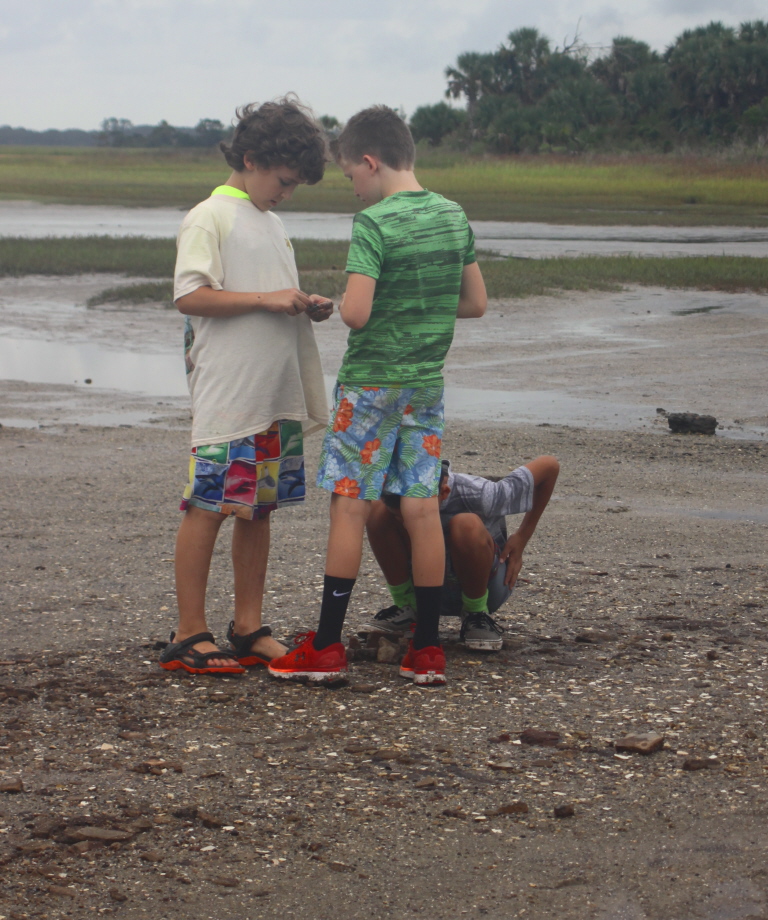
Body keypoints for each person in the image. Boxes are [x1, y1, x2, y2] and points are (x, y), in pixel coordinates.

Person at [269, 105, 486, 686]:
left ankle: (326, 646)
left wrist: (333, 306)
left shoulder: (376, 225)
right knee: (421, 510)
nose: (354, 190)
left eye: (350, 177)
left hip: (369, 387)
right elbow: (475, 303)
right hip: (424, 386)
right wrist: (420, 309)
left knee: (348, 504)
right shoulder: (453, 215)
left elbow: (358, 315)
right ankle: (427, 651)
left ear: (369, 161)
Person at [159, 96, 332, 675]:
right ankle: (189, 633)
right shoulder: (210, 215)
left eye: (295, 185)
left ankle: (248, 626)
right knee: (208, 505)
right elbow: (190, 294)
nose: (287, 192)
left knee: (258, 508)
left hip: (271, 393)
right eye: (283, 180)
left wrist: (304, 304)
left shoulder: (272, 221)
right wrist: (266, 298)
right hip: (230, 393)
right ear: (252, 158)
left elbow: (271, 295)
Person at [365, 455, 559, 651]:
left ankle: (476, 615)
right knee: (377, 511)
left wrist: (522, 537)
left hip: (483, 586)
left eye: (414, 513)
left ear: (444, 492)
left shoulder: (482, 494)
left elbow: (549, 466)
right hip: (424, 590)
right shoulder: (390, 495)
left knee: (466, 524)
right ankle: (407, 606)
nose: (408, 522)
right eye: (402, 517)